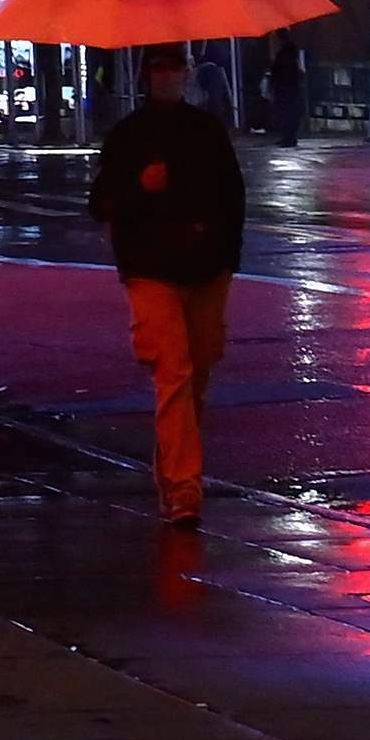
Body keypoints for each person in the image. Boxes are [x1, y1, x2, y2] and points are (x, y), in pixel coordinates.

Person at [89, 44, 247, 525]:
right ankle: (184, 487)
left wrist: (225, 257)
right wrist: (141, 187)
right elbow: (102, 202)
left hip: (205, 267)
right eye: (160, 68)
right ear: (146, 76)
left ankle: (176, 468)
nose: (168, 77)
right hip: (151, 269)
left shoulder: (205, 131)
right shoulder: (130, 136)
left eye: (175, 67)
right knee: (174, 372)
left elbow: (232, 195)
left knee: (196, 373)